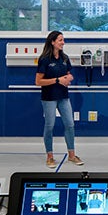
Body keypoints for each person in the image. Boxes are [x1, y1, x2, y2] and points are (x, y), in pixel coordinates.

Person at [35, 30, 83, 169]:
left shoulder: (65, 58)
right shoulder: (44, 59)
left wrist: (69, 79)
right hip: (49, 98)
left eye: (63, 40)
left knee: (70, 124)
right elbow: (38, 81)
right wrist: (57, 80)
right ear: (53, 42)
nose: (63, 42)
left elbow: (68, 75)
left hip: (63, 97)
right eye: (60, 40)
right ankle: (50, 156)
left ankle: (72, 155)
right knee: (49, 126)